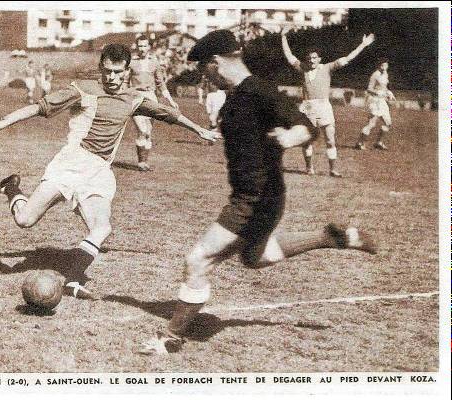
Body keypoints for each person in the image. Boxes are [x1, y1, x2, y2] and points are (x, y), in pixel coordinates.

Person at [139, 30, 377, 355]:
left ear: (215, 62)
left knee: (198, 260)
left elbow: (305, 124)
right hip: (257, 196)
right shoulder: (235, 96)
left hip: (256, 198)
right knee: (254, 257)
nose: (204, 77)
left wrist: (291, 137)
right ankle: (332, 237)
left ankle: (171, 337)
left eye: (204, 69)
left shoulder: (261, 91)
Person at [0, 44, 219, 297]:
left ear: (126, 71)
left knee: (102, 227)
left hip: (99, 172)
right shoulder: (82, 90)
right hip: (70, 166)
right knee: (24, 220)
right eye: (107, 71)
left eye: (117, 72)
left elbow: (168, 114)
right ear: (100, 67)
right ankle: (11, 187)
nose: (111, 77)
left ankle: (74, 281)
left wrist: (200, 130)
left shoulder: (133, 98)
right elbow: (38, 108)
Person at [281, 27, 375, 177]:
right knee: (306, 140)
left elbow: (347, 58)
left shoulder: (327, 68)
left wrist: (363, 45)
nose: (311, 60)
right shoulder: (303, 68)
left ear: (320, 59)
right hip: (307, 107)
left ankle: (332, 169)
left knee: (330, 139)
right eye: (309, 58)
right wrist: (283, 36)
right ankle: (309, 168)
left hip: (324, 106)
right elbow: (289, 56)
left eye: (314, 58)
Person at [129, 35, 180, 171]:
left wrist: (171, 101)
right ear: (137, 46)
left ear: (149, 47)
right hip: (136, 97)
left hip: (151, 97)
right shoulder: (131, 62)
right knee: (142, 129)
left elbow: (160, 83)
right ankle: (141, 163)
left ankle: (144, 162)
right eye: (140, 46)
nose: (142, 48)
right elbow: (124, 82)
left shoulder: (154, 62)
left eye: (145, 46)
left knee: (148, 132)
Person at [356, 58, 395, 150]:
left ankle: (379, 142)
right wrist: (378, 93)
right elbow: (369, 89)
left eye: (385, 65)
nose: (383, 67)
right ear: (378, 66)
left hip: (382, 101)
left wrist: (389, 93)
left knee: (388, 123)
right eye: (382, 65)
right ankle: (360, 143)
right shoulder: (375, 75)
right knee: (371, 124)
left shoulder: (385, 74)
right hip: (374, 101)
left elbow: (384, 87)